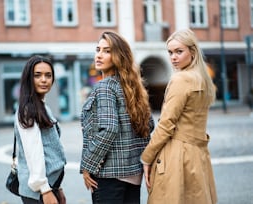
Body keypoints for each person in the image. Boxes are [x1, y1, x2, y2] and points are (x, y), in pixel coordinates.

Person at [141, 29, 217, 204]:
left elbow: (166, 124)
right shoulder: (202, 79)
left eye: (179, 51)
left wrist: (147, 157)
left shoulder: (181, 79)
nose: (173, 57)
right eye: (170, 52)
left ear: (192, 51)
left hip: (177, 155)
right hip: (198, 154)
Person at [80, 31, 154, 204]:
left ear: (119, 56)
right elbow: (148, 126)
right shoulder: (133, 87)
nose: (99, 55)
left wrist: (87, 166)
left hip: (109, 175)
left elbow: (109, 128)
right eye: (98, 49)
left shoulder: (105, 86)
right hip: (133, 174)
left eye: (107, 51)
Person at [14, 55, 67, 204]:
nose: (44, 80)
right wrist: (45, 189)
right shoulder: (27, 110)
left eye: (48, 75)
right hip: (38, 192)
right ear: (28, 79)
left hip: (49, 186)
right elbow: (34, 152)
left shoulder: (42, 107)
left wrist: (58, 187)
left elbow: (49, 150)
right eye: (37, 75)